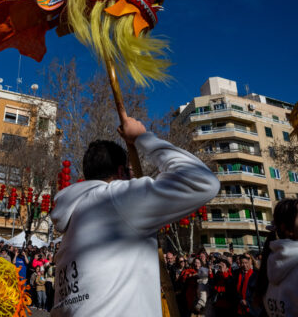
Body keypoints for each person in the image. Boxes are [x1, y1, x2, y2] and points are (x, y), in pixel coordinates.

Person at [49, 114, 220, 316]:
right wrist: (143, 137)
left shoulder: (73, 218)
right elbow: (202, 181)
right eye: (130, 171)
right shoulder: (114, 198)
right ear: (122, 172)